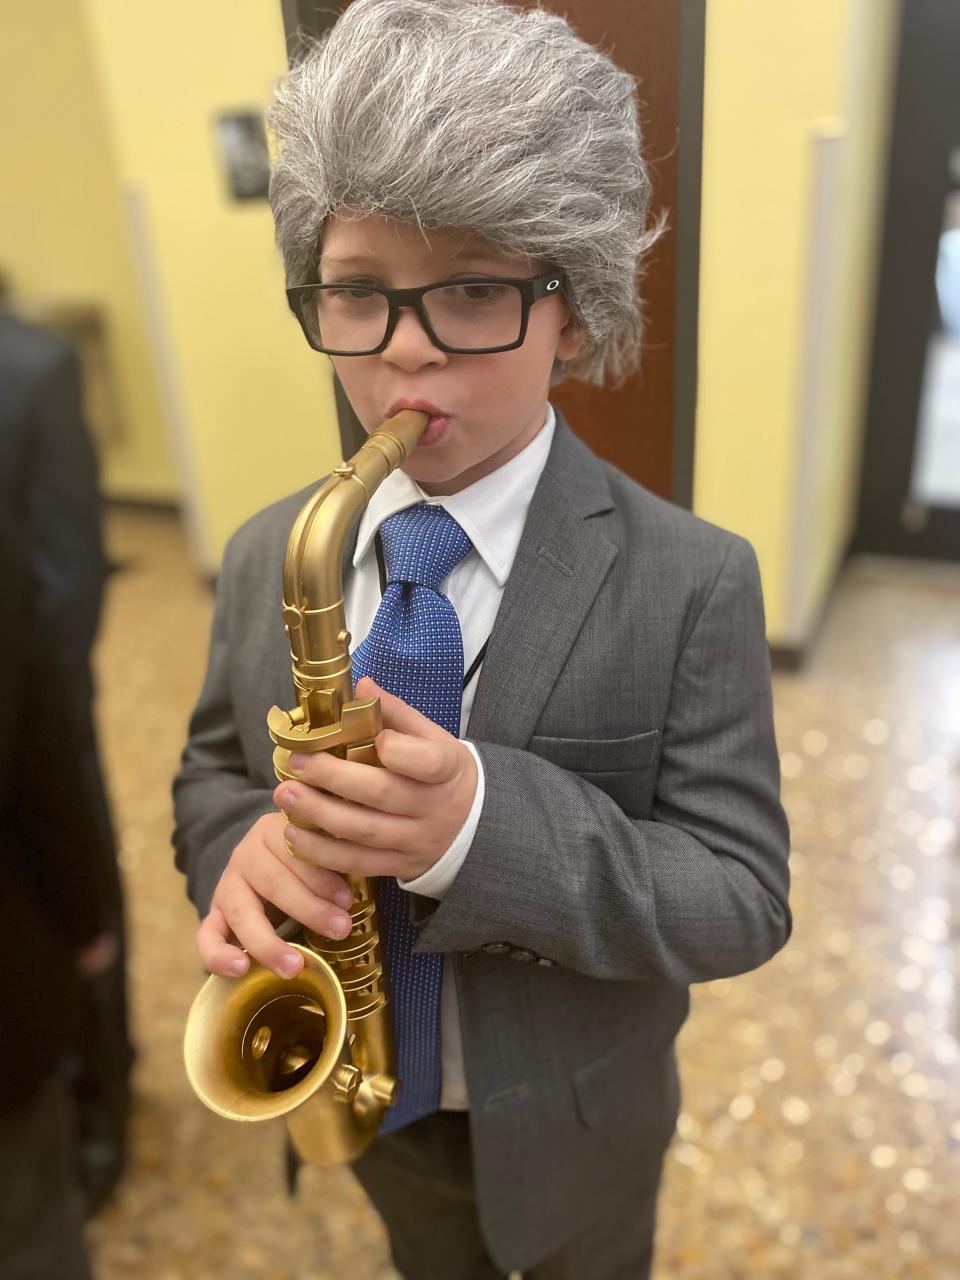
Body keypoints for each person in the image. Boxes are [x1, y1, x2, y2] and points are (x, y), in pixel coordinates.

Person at [173, 2, 792, 1276]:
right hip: (364, 1094)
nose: (406, 350)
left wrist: (472, 828)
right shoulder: (261, 556)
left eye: (471, 289)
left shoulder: (695, 578)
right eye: (358, 294)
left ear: (573, 311)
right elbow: (210, 773)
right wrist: (237, 844)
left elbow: (741, 893)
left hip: (575, 1133)